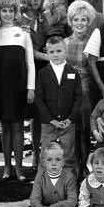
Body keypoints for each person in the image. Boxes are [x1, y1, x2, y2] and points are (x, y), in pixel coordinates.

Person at [0, 0, 35, 181]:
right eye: (3, 10)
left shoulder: (23, 34)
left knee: (17, 127)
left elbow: (30, 63)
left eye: (10, 10)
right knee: (4, 128)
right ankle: (7, 167)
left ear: (15, 11)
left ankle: (19, 168)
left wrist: (30, 88)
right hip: (0, 88)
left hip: (18, 87)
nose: (7, 14)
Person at [18, 0, 55, 168]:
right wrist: (49, 56)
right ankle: (26, 155)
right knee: (28, 113)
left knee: (40, 115)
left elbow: (49, 39)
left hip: (43, 68)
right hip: (26, 67)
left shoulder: (42, 19)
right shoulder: (19, 19)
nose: (35, 0)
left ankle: (38, 154)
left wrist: (52, 49)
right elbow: (28, 51)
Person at [35, 36, 82, 175]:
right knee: (46, 155)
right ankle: (43, 185)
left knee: (68, 155)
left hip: (68, 123)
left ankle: (68, 185)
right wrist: (51, 119)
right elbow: (39, 99)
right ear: (47, 53)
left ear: (66, 52)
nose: (55, 54)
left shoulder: (73, 72)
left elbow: (78, 98)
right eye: (52, 52)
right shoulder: (42, 73)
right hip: (49, 123)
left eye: (59, 51)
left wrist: (70, 119)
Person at [11, 143, 78, 207]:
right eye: (49, 160)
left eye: (58, 160)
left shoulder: (69, 177)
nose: (54, 163)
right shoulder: (40, 176)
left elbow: (72, 201)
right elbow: (34, 197)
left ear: (63, 162)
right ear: (44, 162)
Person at [65, 0, 96, 176]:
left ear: (88, 21)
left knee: (84, 131)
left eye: (84, 20)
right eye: (76, 19)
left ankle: (84, 166)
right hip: (68, 91)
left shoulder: (93, 42)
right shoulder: (64, 42)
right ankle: (74, 165)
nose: (80, 23)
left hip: (87, 92)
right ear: (70, 21)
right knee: (72, 132)